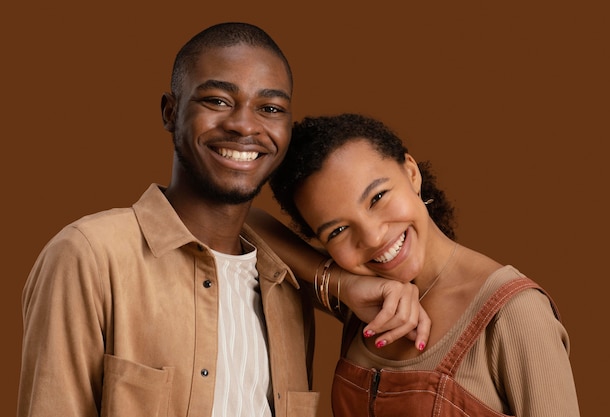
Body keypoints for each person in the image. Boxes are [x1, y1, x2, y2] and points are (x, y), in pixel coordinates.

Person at [17, 24, 426, 417]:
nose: (244, 125)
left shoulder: (286, 284)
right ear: (170, 111)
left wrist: (348, 284)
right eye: (216, 100)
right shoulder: (89, 255)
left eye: (269, 108)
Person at [251, 113, 580, 416]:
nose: (373, 236)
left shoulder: (514, 313)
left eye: (377, 197)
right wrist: (345, 284)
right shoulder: (363, 302)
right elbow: (233, 218)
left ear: (411, 172)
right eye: (337, 230)